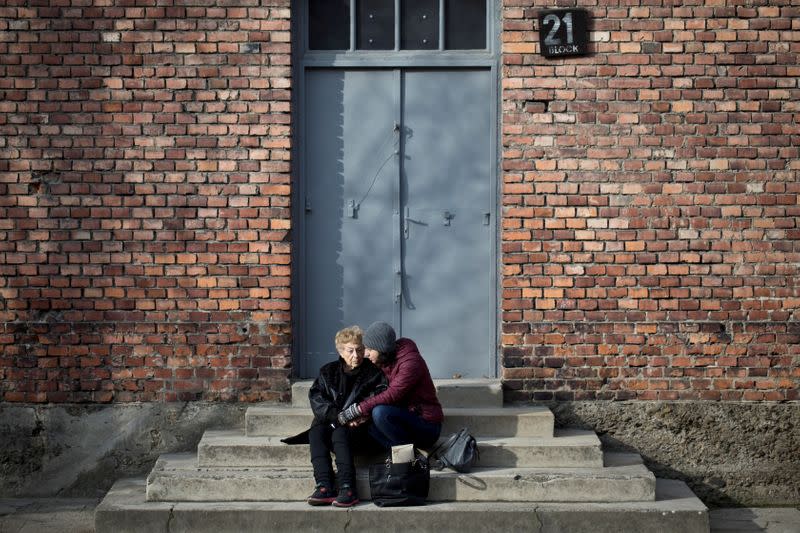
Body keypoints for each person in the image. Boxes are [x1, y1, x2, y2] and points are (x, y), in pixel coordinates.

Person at [283, 326, 387, 507]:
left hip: (361, 432)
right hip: (333, 425)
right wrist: (337, 417)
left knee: (340, 432)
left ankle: (348, 487)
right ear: (340, 351)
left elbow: (379, 397)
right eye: (351, 350)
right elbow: (317, 399)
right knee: (316, 432)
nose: (356, 355)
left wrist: (361, 416)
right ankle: (324, 485)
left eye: (360, 350)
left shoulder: (374, 374)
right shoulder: (327, 372)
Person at [336, 321, 443, 450]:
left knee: (380, 413)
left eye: (370, 349)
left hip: (426, 425)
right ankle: (406, 450)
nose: (366, 354)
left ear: (382, 349)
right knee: (366, 426)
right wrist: (364, 416)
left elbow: (392, 394)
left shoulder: (411, 363)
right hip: (404, 417)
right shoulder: (384, 360)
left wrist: (357, 410)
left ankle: (408, 454)